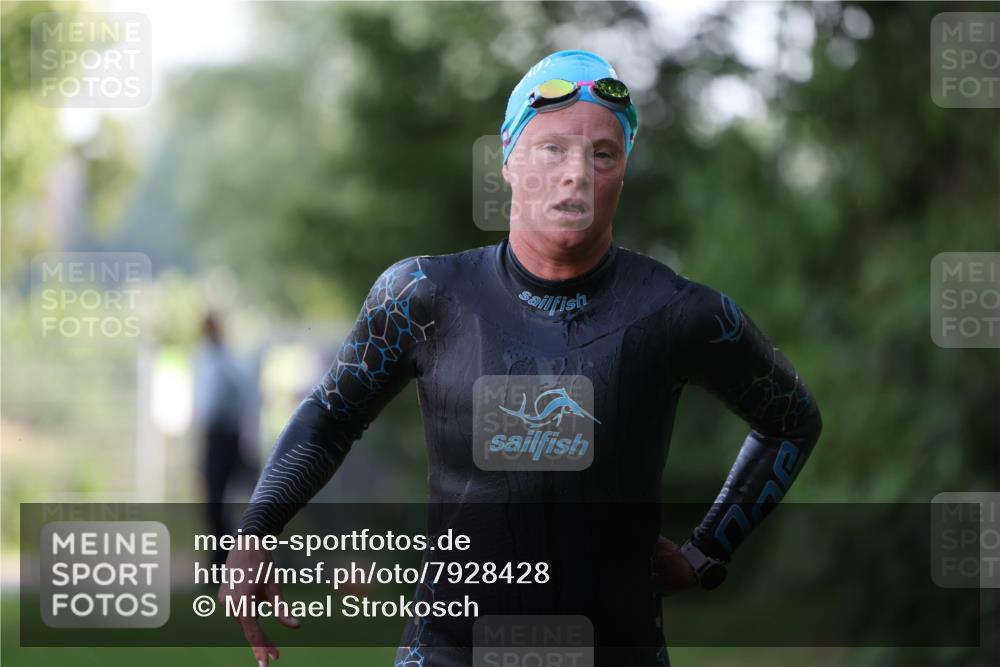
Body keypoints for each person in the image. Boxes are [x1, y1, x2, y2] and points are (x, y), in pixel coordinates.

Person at [222, 50, 822, 667]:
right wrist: (256, 531)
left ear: (622, 172)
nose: (578, 174)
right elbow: (332, 414)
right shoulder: (422, 297)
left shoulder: (677, 313)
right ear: (508, 161)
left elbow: (791, 420)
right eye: (553, 149)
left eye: (604, 154)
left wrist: (707, 552)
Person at [194, 311, 249, 568]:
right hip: (219, 435)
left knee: (219, 502)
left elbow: (220, 401)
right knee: (216, 504)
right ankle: (222, 562)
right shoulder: (211, 357)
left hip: (223, 436)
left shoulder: (223, 359)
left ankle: (225, 563)